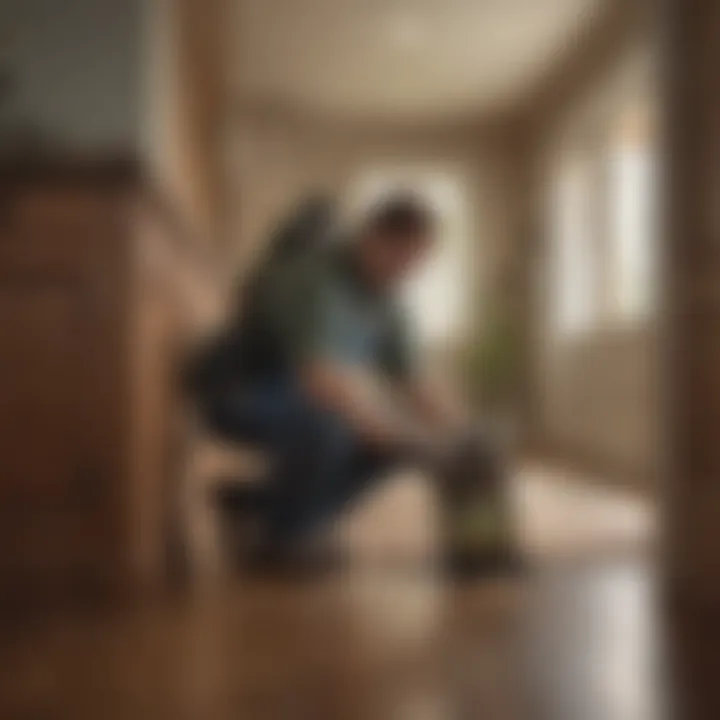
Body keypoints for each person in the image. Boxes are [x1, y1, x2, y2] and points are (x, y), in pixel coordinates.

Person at [208, 193, 473, 571]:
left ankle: (255, 504)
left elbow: (414, 379)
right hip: (243, 391)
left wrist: (464, 435)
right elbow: (318, 378)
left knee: (404, 445)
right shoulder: (314, 278)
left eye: (417, 262)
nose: (408, 271)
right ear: (372, 238)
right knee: (333, 424)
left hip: (308, 393)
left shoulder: (387, 299)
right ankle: (285, 541)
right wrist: (379, 427)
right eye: (403, 256)